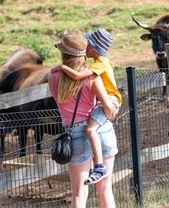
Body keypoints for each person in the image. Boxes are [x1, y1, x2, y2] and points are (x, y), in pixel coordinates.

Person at [49, 32, 118, 208]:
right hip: (102, 131)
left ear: (63, 54)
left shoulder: (53, 77)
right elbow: (109, 110)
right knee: (105, 189)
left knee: (79, 194)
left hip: (75, 135)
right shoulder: (93, 77)